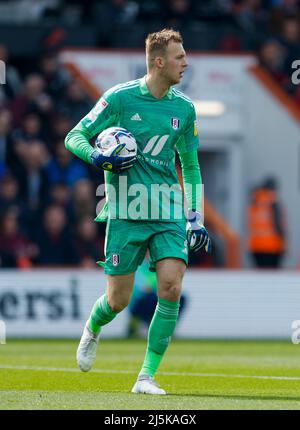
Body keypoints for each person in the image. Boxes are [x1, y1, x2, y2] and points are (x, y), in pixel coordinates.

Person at [65, 28, 211, 395]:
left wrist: (195, 216)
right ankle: (93, 327)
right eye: (180, 57)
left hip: (168, 210)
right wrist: (97, 156)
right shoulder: (119, 99)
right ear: (159, 61)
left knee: (171, 287)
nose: (186, 62)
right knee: (118, 300)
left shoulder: (184, 108)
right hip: (126, 211)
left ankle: (145, 376)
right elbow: (74, 137)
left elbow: (190, 167)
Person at [247, 176, 286, 268]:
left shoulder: (255, 201)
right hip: (272, 247)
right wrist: (283, 241)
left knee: (261, 277)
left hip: (256, 247)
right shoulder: (273, 202)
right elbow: (278, 224)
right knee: (272, 278)